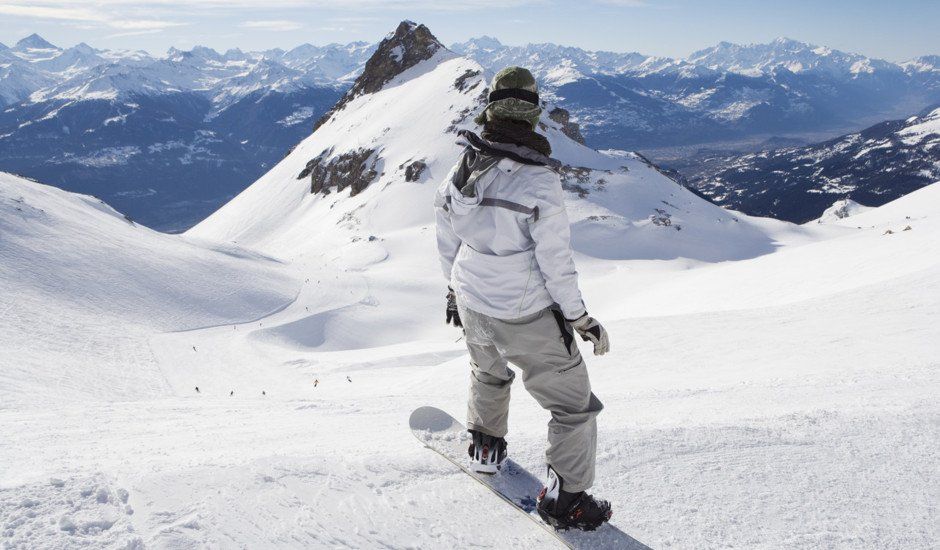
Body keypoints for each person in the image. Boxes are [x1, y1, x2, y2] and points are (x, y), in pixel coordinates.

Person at [435, 66, 612, 531]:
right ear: (533, 114)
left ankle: (485, 447)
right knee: (573, 406)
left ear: (491, 110)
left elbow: (446, 237)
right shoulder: (539, 180)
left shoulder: (463, 167)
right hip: (523, 310)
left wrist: (453, 289)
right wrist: (579, 318)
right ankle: (567, 502)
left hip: (472, 299)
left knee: (488, 373)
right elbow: (555, 261)